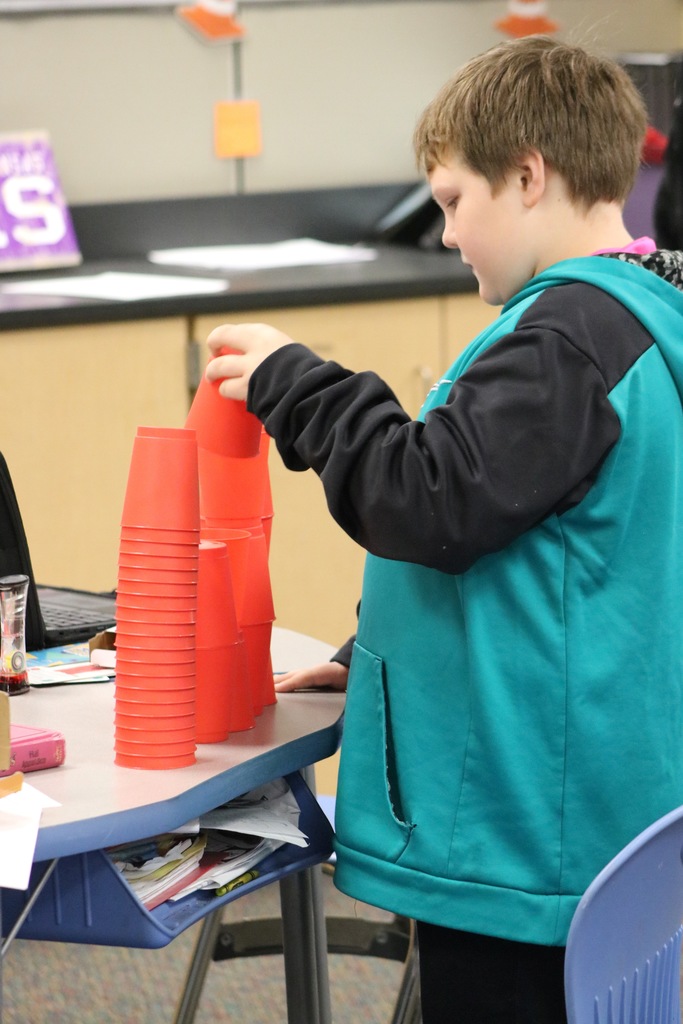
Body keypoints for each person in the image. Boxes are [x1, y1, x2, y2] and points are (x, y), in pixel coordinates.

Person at [203, 36, 683, 1024]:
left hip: (523, 845)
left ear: (525, 176)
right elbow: (560, 551)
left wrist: (299, 382)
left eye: (453, 199)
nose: (447, 232)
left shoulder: (564, 339)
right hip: (593, 821)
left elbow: (429, 496)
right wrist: (380, 651)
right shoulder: (640, 317)